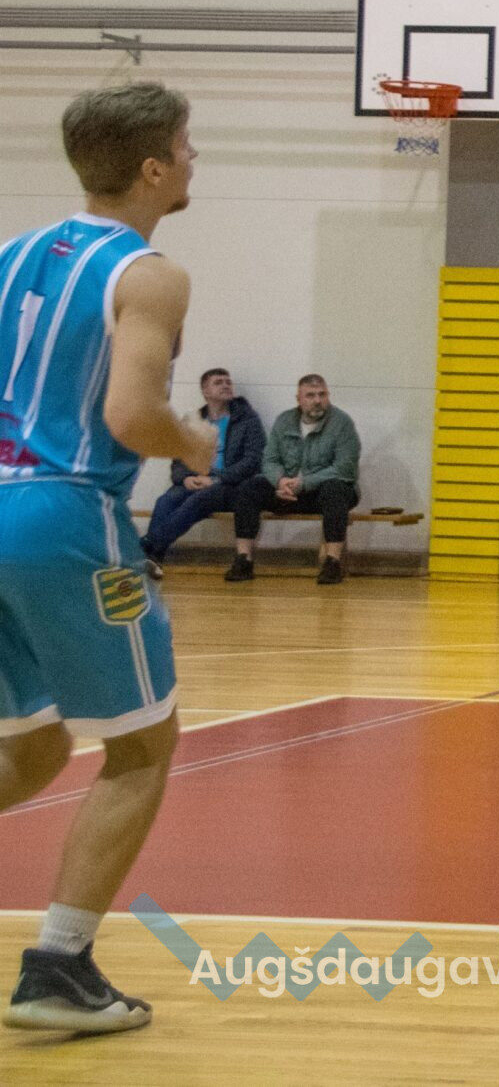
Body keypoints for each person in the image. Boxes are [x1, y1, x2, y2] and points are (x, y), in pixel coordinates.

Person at [0, 82, 213, 1033]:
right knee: (141, 747)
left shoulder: (11, 255)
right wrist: (192, 442)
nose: (195, 158)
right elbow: (131, 413)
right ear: (152, 167)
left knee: (34, 741)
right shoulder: (148, 272)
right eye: (187, 145)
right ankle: (58, 965)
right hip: (63, 512)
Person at [229, 374, 362, 586]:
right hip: (287, 491)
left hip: (322, 491)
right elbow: (270, 460)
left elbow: (344, 468)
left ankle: (332, 562)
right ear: (298, 399)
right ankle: (243, 559)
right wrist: (280, 481)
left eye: (322, 395)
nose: (317, 400)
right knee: (249, 488)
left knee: (335, 490)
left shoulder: (342, 423)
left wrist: (304, 483)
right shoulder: (284, 421)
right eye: (310, 395)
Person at [140, 368, 263, 575]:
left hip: (230, 485)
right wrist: (185, 478)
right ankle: (154, 557)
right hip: (197, 479)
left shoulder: (248, 419)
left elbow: (253, 461)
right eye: (218, 382)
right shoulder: (194, 420)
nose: (226, 385)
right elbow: (179, 457)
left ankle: (146, 547)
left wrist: (216, 479)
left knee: (197, 501)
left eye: (228, 382)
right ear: (205, 391)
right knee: (166, 500)